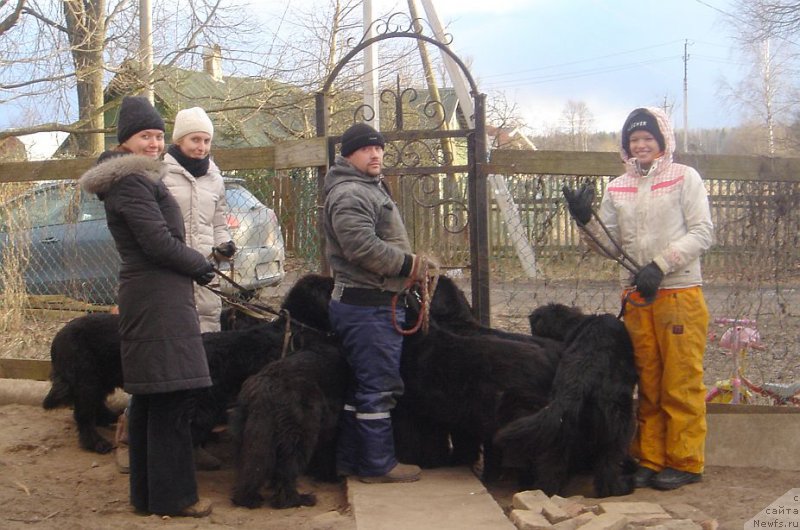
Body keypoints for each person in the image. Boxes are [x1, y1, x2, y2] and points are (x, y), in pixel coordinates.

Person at [562, 106, 714, 491]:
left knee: (679, 381)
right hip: (637, 297)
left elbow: (702, 232)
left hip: (677, 290)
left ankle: (685, 460)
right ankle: (650, 458)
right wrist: (584, 220)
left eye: (648, 139)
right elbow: (606, 246)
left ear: (662, 142)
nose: (641, 145)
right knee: (646, 379)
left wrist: (661, 264)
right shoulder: (618, 187)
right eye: (634, 140)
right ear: (626, 146)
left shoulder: (684, 179)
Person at [78, 95, 216, 517]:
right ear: (125, 143)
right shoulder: (133, 182)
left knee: (153, 396)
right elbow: (157, 242)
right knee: (170, 396)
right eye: (145, 136)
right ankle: (176, 497)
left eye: (158, 136)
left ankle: (149, 494)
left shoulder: (134, 179)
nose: (155, 144)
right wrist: (201, 266)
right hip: (157, 297)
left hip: (155, 294)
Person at [323, 122, 432, 483]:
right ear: (348, 154)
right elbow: (361, 247)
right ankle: (378, 464)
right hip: (368, 305)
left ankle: (350, 460)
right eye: (366, 148)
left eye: (379, 148)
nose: (376, 154)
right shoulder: (352, 193)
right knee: (379, 387)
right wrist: (410, 265)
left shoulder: (363, 187)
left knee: (363, 385)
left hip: (367, 301)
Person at [163, 106, 235, 333]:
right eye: (195, 139)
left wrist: (225, 247)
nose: (201, 147)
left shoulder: (215, 178)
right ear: (179, 140)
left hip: (206, 273)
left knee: (208, 335)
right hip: (172, 270)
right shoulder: (160, 174)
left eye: (206, 141)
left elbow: (218, 223)